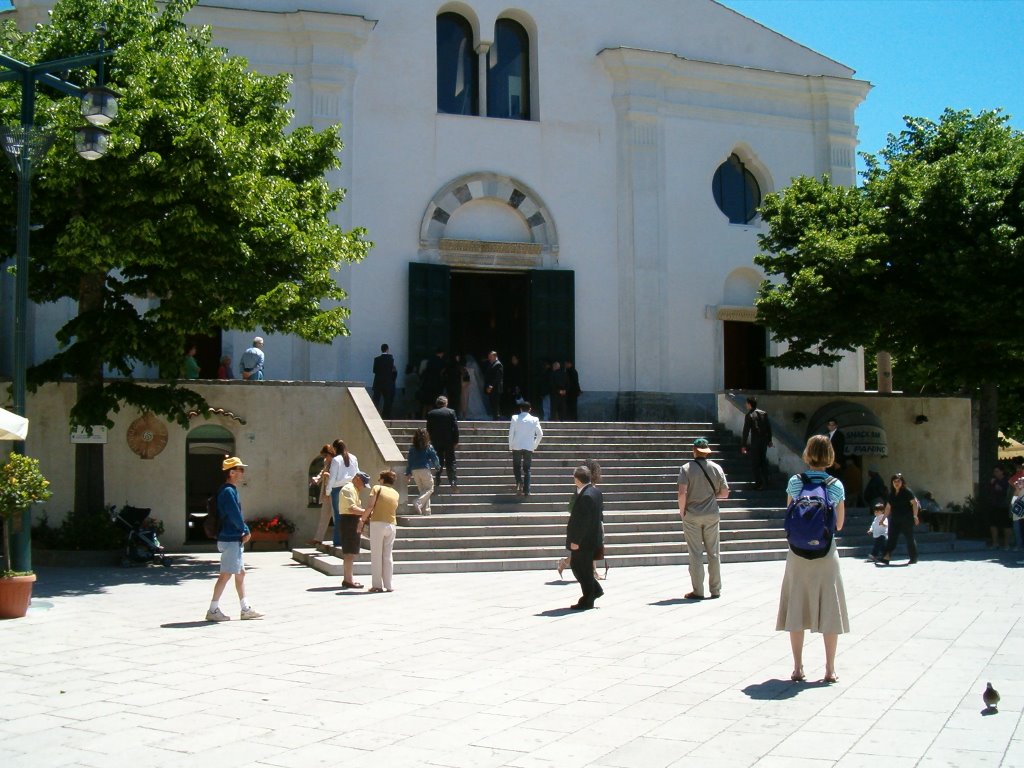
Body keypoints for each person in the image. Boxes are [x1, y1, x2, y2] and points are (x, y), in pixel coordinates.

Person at [777, 435, 848, 683]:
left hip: (797, 555)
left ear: (807, 453)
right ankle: (830, 668)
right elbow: (838, 524)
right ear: (829, 455)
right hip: (826, 555)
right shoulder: (836, 485)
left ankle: (797, 667)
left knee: (796, 607)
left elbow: (788, 519)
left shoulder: (795, 482)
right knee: (830, 609)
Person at [205, 456, 263, 621]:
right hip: (231, 539)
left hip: (231, 538)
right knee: (225, 575)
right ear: (231, 472)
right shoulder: (228, 491)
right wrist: (245, 530)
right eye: (240, 469)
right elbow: (234, 514)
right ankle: (213, 610)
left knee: (240, 573)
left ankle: (245, 608)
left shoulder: (227, 490)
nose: (242, 472)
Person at [678, 437, 730, 600]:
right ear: (707, 452)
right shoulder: (717, 468)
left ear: (694, 451)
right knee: (714, 552)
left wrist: (682, 512)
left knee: (695, 553)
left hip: (692, 514)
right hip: (712, 514)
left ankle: (698, 591)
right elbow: (725, 493)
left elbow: (682, 493)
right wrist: (710, 496)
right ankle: (715, 590)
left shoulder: (686, 468)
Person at [565, 464, 604, 610]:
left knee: (580, 568)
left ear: (577, 479)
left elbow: (583, 522)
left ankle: (589, 597)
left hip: (584, 541)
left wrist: (576, 541)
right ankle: (593, 592)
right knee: (583, 568)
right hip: (591, 538)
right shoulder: (595, 492)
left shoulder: (587, 495)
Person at [360, 470, 400, 593]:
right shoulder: (395, 493)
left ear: (382, 480)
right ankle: (389, 584)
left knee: (376, 555)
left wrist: (362, 519)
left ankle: (377, 585)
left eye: (379, 479)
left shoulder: (377, 488)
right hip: (391, 524)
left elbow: (370, 505)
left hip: (378, 523)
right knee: (388, 555)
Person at [338, 470, 371, 589]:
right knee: (349, 552)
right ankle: (348, 580)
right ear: (357, 479)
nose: (362, 488)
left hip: (352, 521)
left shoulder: (353, 489)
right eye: (363, 484)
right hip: (349, 521)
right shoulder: (348, 489)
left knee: (351, 552)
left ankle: (348, 578)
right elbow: (352, 508)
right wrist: (368, 512)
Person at [881, 473, 920, 565]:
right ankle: (886, 557)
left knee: (909, 539)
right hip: (895, 520)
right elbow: (888, 507)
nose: (896, 483)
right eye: (894, 481)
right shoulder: (891, 494)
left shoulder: (907, 492)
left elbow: (915, 503)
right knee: (891, 539)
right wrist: (883, 519)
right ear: (892, 483)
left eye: (898, 481)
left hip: (907, 520)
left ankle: (913, 558)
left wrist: (915, 516)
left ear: (902, 482)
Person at [328, 439, 360, 547]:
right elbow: (357, 473)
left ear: (335, 448)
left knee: (338, 515)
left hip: (338, 488)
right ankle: (351, 539)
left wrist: (328, 491)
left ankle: (338, 541)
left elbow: (332, 477)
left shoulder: (336, 460)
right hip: (351, 487)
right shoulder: (353, 457)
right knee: (351, 514)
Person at [508, 401, 543, 496]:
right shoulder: (535, 419)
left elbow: (511, 433)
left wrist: (510, 446)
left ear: (520, 409)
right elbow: (540, 434)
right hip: (528, 446)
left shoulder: (515, 418)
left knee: (516, 466)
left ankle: (519, 481)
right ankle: (527, 490)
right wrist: (534, 445)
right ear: (530, 409)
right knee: (527, 469)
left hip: (517, 445)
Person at [426, 395, 459, 491]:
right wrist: (456, 440)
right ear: (446, 403)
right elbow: (455, 428)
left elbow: (429, 429)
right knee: (451, 460)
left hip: (436, 441)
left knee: (438, 460)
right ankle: (452, 480)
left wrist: (430, 440)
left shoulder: (431, 414)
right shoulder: (451, 412)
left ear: (437, 404)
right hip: (449, 441)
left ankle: (437, 478)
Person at [740, 396, 773, 489]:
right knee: (763, 461)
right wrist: (769, 440)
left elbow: (746, 431)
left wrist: (743, 445)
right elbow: (769, 428)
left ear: (749, 404)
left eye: (746, 403)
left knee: (755, 463)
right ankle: (767, 481)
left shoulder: (749, 415)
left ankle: (759, 483)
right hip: (764, 441)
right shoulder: (764, 413)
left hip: (756, 441)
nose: (746, 405)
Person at [406, 428, 440, 515]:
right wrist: (437, 466)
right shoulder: (428, 447)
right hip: (424, 469)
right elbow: (434, 458)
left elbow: (409, 461)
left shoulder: (412, 448)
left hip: (415, 471)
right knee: (429, 488)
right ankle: (418, 502)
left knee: (423, 491)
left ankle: (426, 511)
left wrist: (408, 473)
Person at [311, 443, 336, 544]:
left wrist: (327, 475)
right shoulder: (327, 462)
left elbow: (337, 477)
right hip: (326, 492)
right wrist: (317, 479)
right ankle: (318, 538)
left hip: (334, 492)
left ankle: (338, 539)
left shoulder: (336, 462)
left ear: (331, 454)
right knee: (324, 516)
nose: (325, 458)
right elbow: (323, 472)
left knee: (335, 516)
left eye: (326, 455)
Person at [985, 466, 1012, 550]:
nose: (995, 473)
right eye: (994, 471)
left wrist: (996, 485)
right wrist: (991, 484)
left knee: (1006, 525)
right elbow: (989, 490)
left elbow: (1005, 491)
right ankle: (995, 543)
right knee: (993, 524)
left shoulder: (1007, 481)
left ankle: (1007, 544)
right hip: (994, 505)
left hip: (1004, 505)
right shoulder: (994, 480)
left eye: (997, 471)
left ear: (1002, 472)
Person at [371, 343, 397, 418]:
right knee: (387, 401)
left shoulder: (377, 359)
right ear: (387, 349)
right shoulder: (390, 359)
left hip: (378, 382)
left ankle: (374, 415)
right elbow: (392, 371)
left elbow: (374, 370)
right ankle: (385, 415)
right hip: (387, 383)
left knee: (376, 400)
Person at [419, 348, 446, 416]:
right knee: (434, 402)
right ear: (441, 353)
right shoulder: (441, 362)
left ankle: (424, 417)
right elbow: (442, 373)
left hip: (427, 384)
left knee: (426, 403)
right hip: (437, 385)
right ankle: (433, 416)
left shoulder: (429, 361)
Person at [485, 350, 504, 420]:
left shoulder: (498, 364)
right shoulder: (492, 364)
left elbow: (497, 377)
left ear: (495, 356)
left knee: (495, 404)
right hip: (492, 388)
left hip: (495, 388)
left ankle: (496, 418)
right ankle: (494, 417)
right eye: (489, 356)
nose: (489, 358)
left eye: (491, 356)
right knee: (492, 403)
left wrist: (491, 386)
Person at [1011, 477, 1024, 550]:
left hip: (1022, 517)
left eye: (1021, 481)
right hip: (1017, 517)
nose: (1018, 483)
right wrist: (1017, 490)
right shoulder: (1017, 490)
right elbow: (1013, 503)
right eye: (1018, 481)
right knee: (1018, 534)